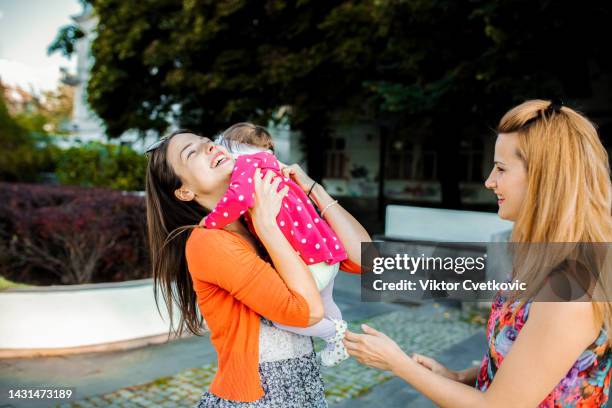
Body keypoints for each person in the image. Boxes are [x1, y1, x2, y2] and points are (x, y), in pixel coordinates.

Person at [344, 99, 612, 407]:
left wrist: (398, 364)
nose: (489, 181)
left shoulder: (572, 284)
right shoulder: (541, 258)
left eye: (500, 169)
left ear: (543, 178)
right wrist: (460, 378)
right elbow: (523, 362)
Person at [144, 129, 370, 407]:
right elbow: (308, 313)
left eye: (208, 143)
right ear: (184, 191)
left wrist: (313, 189)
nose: (209, 148)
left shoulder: (260, 219)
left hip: (306, 391)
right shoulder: (208, 241)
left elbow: (363, 257)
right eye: (191, 152)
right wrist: (267, 225)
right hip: (258, 398)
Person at [206, 123, 351, 367]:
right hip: (324, 254)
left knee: (282, 316)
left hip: (306, 264)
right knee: (327, 302)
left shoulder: (247, 166)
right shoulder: (273, 166)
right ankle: (339, 343)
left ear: (234, 148)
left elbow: (238, 199)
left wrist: (211, 221)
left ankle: (334, 334)